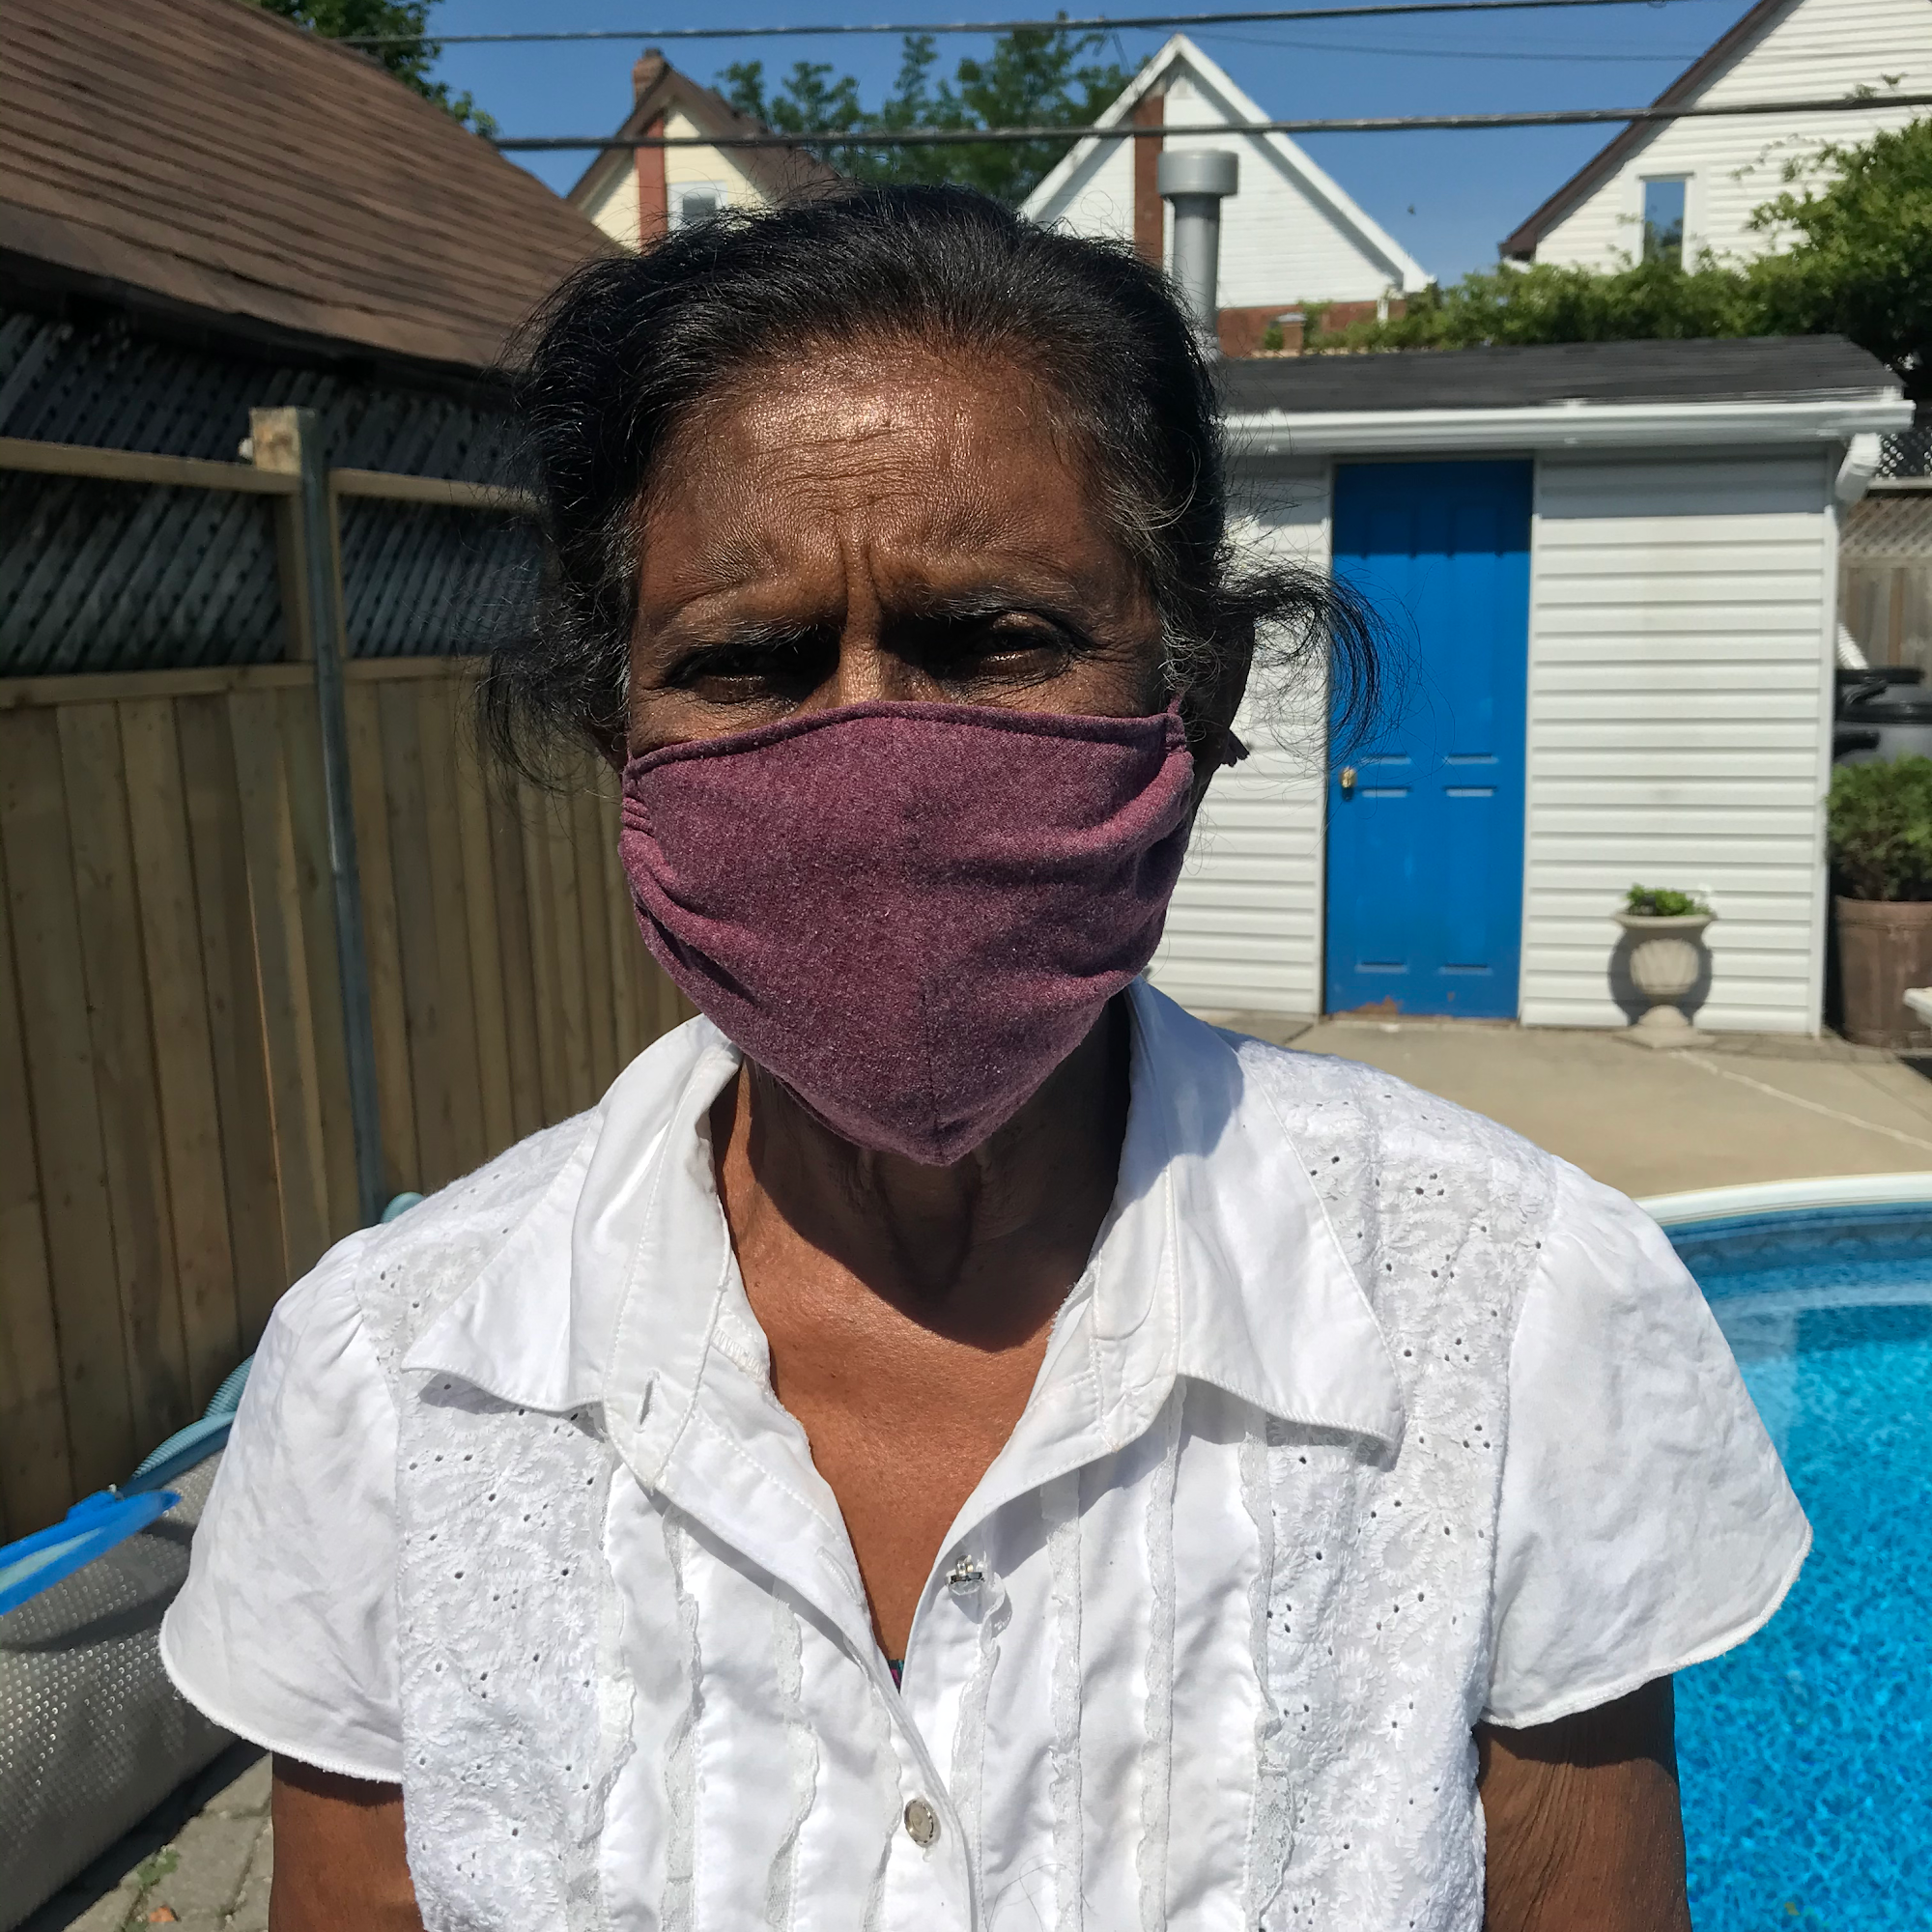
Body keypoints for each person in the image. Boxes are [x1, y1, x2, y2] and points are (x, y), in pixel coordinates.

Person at [162, 186, 1806, 1932]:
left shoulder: (1510, 1311)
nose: (874, 759)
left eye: (995, 637)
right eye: (748, 661)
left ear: (1199, 688)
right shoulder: (394, 1380)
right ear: (615, 730)